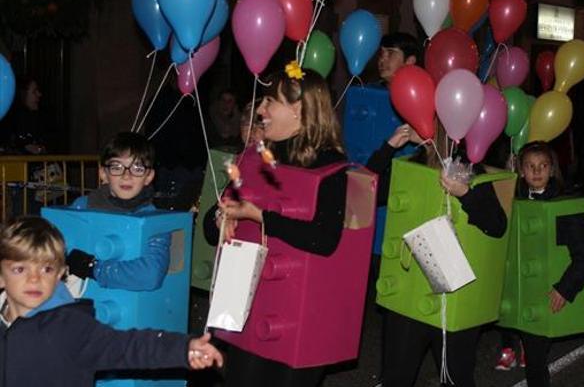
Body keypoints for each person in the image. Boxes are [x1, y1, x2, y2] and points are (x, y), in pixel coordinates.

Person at [204, 66, 348, 386]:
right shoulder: (254, 158)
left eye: (271, 101)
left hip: (301, 315)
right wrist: (221, 217)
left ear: (298, 110)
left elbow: (324, 239)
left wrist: (261, 216)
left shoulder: (330, 167)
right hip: (250, 309)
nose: (260, 110)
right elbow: (210, 228)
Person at [0, 216, 223, 386]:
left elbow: (126, 347)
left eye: (46, 269)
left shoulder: (69, 326)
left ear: (60, 274)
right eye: (20, 269)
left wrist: (183, 348)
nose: (34, 278)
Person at [375, 123, 509, 387]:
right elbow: (370, 190)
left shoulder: (465, 168)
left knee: (455, 377)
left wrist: (466, 194)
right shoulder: (410, 164)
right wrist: (388, 147)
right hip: (409, 289)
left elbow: (496, 224)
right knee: (395, 376)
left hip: (450, 292)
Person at [495, 141, 584, 386]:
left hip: (547, 289)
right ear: (521, 170)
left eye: (543, 166)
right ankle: (510, 345)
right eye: (530, 166)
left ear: (552, 170)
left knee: (536, 358)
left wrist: (565, 288)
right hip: (518, 290)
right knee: (517, 332)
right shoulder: (512, 199)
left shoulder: (565, 205)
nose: (537, 171)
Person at [64, 132, 170, 291]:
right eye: (116, 167)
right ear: (103, 174)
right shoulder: (82, 206)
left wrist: (94, 268)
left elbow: (150, 275)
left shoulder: (154, 221)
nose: (126, 176)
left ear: (148, 176)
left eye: (137, 168)